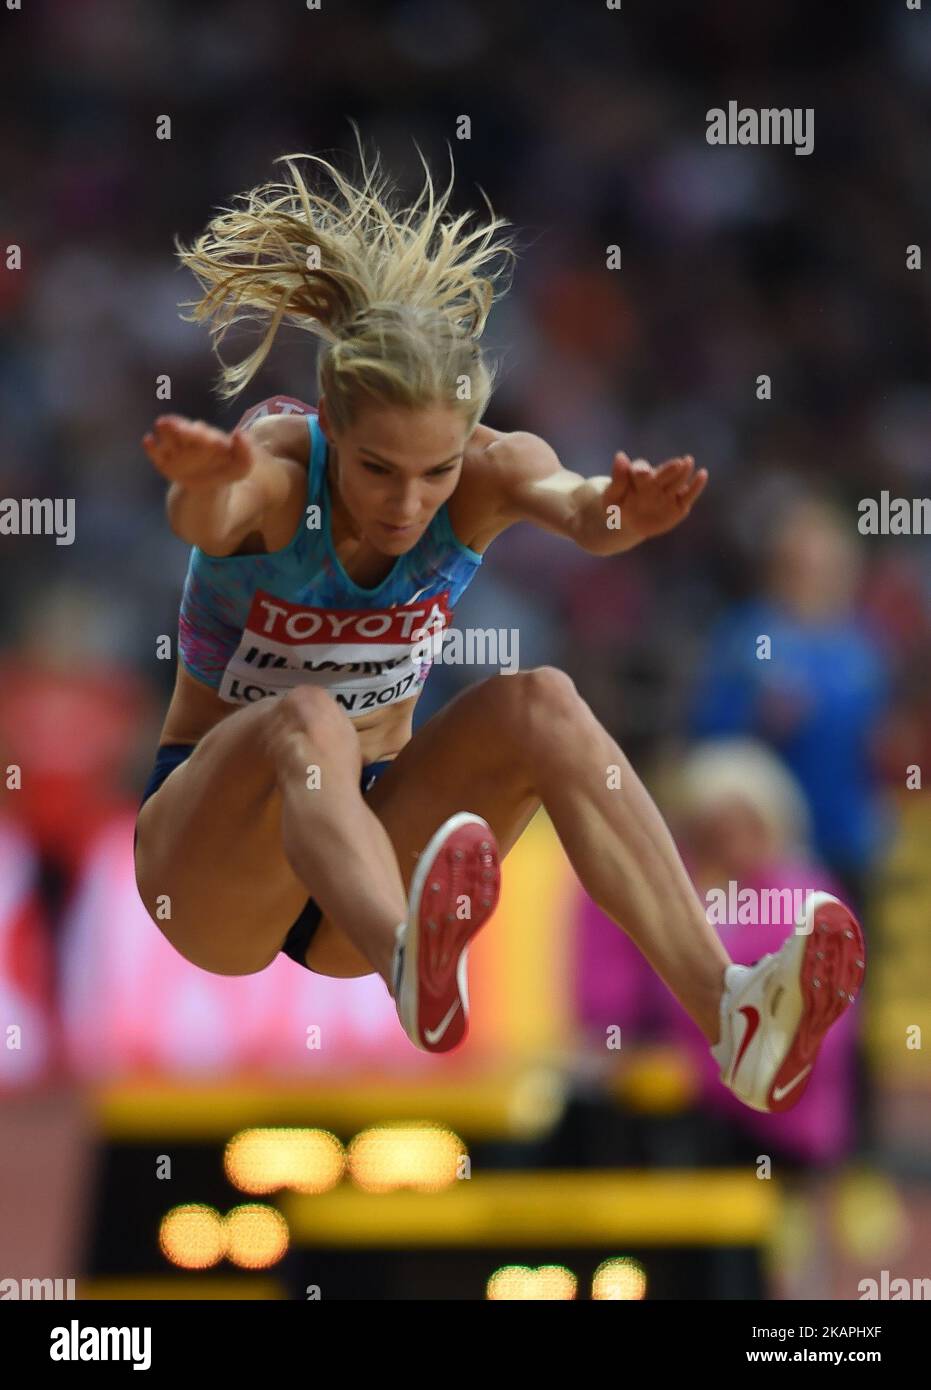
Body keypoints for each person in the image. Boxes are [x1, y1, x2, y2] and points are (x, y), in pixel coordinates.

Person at [133, 132, 864, 1105]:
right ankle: (414, 962)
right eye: (376, 470)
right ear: (331, 427)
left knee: (545, 702)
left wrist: (623, 512)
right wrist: (196, 487)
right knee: (306, 717)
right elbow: (212, 514)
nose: (406, 504)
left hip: (368, 855)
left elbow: (577, 504)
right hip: (215, 864)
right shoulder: (273, 462)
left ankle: (728, 1006)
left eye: (434, 472)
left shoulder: (490, 467)